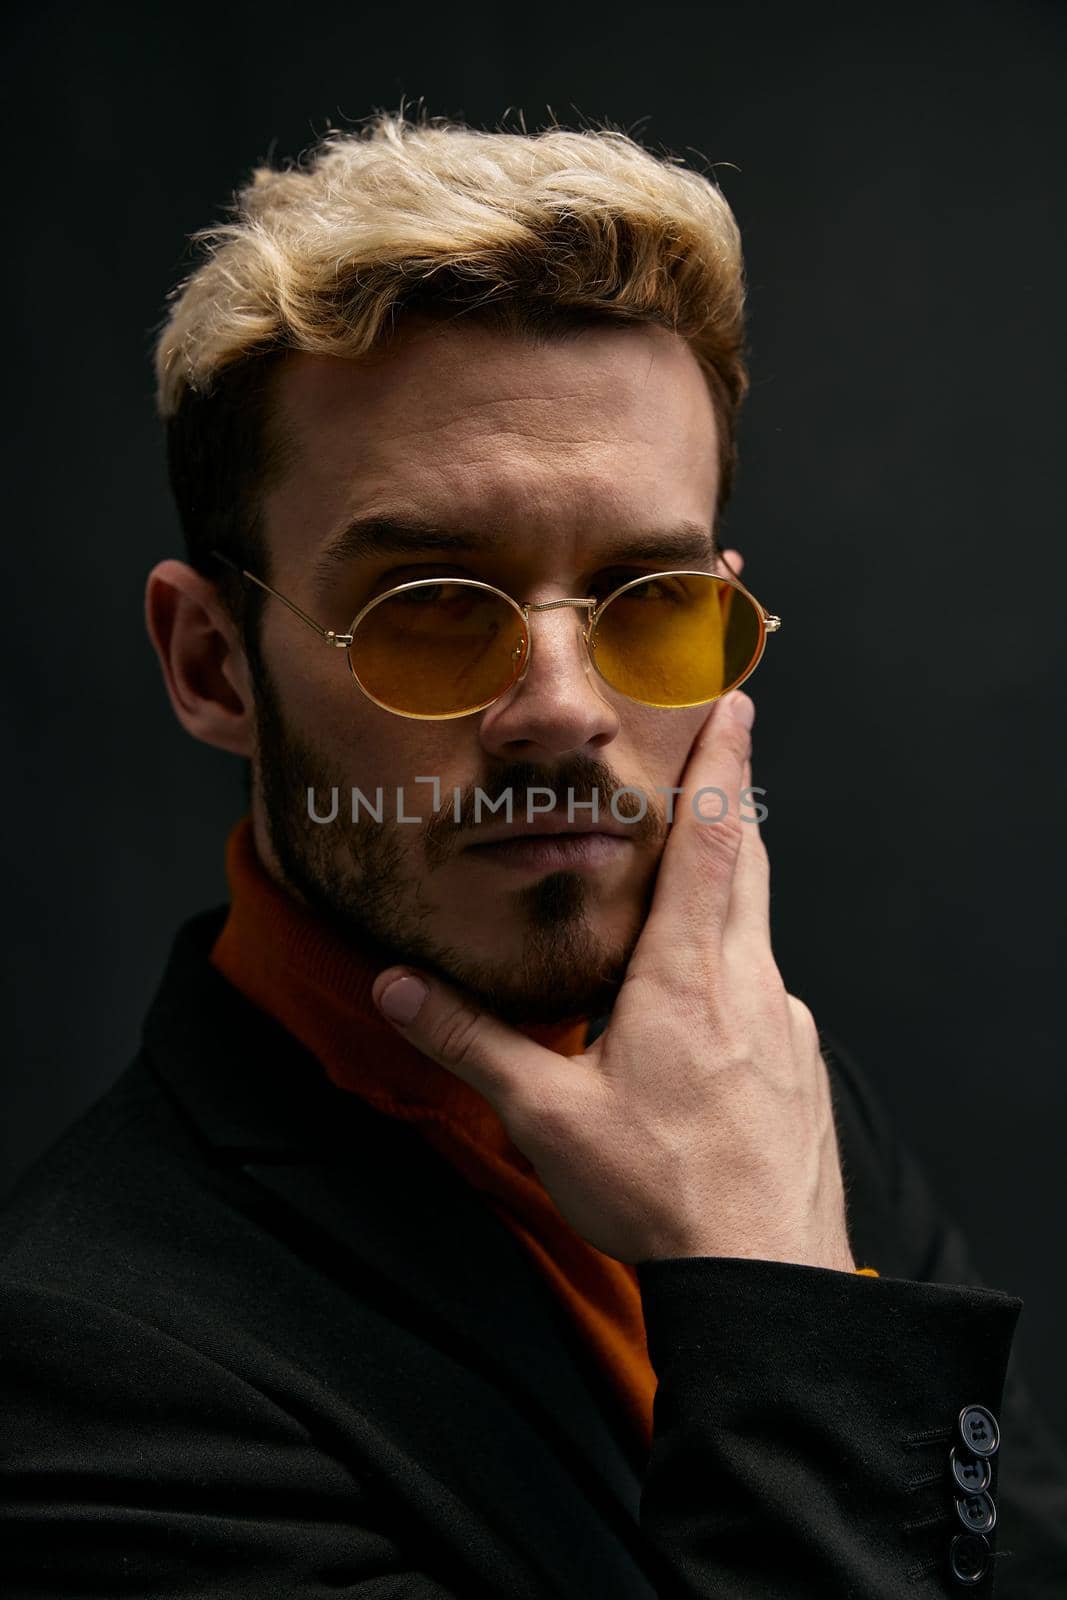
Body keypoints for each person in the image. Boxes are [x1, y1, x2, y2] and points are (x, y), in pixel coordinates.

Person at [2, 112, 1065, 1599]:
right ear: (212, 666)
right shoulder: (74, 1376)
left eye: (646, 596)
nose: (562, 711)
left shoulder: (771, 1093)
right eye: (431, 604)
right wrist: (766, 1286)